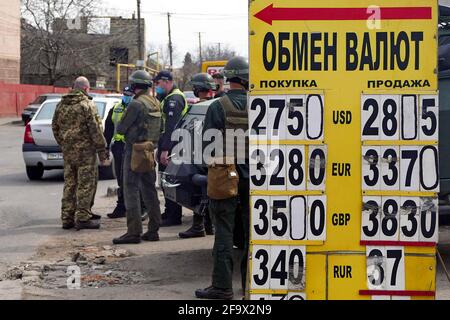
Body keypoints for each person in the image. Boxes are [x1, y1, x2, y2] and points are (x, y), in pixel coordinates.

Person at [195, 57, 250, 300]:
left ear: (228, 78)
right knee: (253, 235)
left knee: (224, 233)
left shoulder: (217, 107)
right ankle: (251, 286)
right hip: (255, 180)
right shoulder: (259, 104)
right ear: (247, 78)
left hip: (225, 177)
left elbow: (207, 147)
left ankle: (221, 287)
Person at [52, 76, 109, 230]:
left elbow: (55, 128)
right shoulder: (87, 105)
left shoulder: (61, 105)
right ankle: (83, 217)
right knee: (86, 184)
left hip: (69, 153)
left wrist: (65, 144)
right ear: (85, 88)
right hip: (85, 153)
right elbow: (96, 130)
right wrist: (102, 153)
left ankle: (67, 218)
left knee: (70, 183)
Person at [112, 70, 162, 244]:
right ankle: (154, 229)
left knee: (130, 189)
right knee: (149, 189)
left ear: (134, 85)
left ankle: (133, 232)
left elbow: (120, 128)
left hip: (134, 151)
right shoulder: (155, 102)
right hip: (149, 150)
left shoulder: (136, 104)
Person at [178, 73, 217, 239]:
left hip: (201, 155)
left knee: (201, 192)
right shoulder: (218, 102)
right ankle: (209, 226)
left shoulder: (200, 107)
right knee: (210, 192)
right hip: (217, 155)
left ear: (198, 89)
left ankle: (198, 225)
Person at [154, 70, 189, 227]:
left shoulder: (174, 99)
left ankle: (174, 215)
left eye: (158, 83)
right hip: (169, 144)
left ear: (166, 81)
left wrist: (165, 149)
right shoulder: (168, 97)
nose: (157, 86)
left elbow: (171, 127)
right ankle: (169, 211)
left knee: (170, 181)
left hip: (173, 146)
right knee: (165, 181)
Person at [103, 86, 134, 219]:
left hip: (132, 147)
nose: (126, 96)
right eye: (125, 94)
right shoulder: (115, 109)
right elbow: (108, 130)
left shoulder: (136, 109)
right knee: (121, 179)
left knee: (133, 179)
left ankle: (137, 207)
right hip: (118, 148)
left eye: (129, 94)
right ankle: (121, 206)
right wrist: (105, 147)